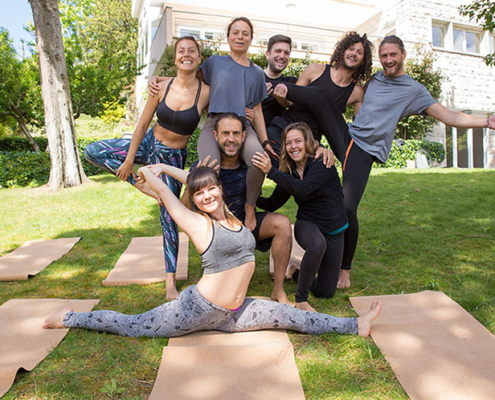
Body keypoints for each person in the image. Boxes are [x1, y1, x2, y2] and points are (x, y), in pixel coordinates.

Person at [43, 164, 382, 338]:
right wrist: (156, 171)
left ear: (220, 190)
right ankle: (69, 318)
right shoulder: (197, 224)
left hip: (234, 312)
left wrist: (190, 176)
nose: (206, 195)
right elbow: (163, 188)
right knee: (131, 326)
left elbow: (197, 178)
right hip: (195, 310)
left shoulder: (233, 216)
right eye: (200, 193)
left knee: (293, 316)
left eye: (211, 189)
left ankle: (355, 326)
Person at [280, 35, 495, 289]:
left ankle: (344, 269)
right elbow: (358, 106)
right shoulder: (375, 80)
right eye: (384, 55)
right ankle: (277, 87)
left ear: (403, 54)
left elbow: (447, 115)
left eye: (393, 55)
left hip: (363, 151)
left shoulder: (414, 90)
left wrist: (485, 122)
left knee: (347, 207)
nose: (388, 60)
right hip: (347, 137)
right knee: (318, 95)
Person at [84, 36, 209, 300]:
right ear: (175, 58)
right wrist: (129, 161)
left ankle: (170, 284)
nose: (185, 55)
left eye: (191, 51)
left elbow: (222, 112)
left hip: (172, 157)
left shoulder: (205, 92)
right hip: (148, 143)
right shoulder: (160, 88)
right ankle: (144, 185)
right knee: (92, 151)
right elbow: (141, 125)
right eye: (180, 51)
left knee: (169, 219)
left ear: (199, 58)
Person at [150, 17, 276, 232]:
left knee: (258, 162)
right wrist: (161, 79)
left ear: (251, 39)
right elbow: (189, 79)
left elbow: (257, 110)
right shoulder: (214, 63)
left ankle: (249, 206)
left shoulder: (257, 73)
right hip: (215, 123)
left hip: (242, 126)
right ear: (228, 37)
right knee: (209, 167)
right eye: (235, 32)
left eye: (245, 33)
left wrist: (264, 141)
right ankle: (206, 216)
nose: (240, 37)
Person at [253, 123, 348, 312]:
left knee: (326, 291)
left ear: (307, 142)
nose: (293, 146)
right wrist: (249, 199)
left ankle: (296, 272)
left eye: (298, 141)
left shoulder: (322, 163)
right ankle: (301, 298)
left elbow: (303, 189)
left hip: (334, 229)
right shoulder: (290, 172)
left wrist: (271, 172)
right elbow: (273, 203)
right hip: (308, 223)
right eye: (288, 143)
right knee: (317, 243)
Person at [266, 31, 373, 155]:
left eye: (359, 52)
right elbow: (290, 103)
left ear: (363, 60)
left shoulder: (357, 92)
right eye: (351, 49)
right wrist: (281, 99)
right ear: (343, 51)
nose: (353, 54)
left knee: (324, 172)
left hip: (311, 142)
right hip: (284, 128)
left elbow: (361, 128)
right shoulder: (316, 70)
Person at [260, 34, 297, 126]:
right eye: (278, 51)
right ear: (268, 54)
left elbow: (298, 109)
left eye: (286, 53)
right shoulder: (255, 77)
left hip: (280, 135)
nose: (282, 56)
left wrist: (283, 101)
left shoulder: (291, 82)